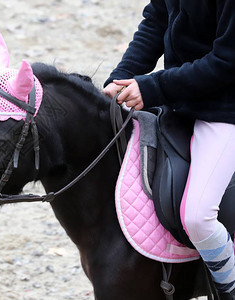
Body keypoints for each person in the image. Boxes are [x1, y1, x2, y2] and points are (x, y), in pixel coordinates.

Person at [102, 1, 235, 298]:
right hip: (180, 99)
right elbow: (155, 21)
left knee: (197, 217)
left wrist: (152, 87)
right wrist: (121, 76)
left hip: (225, 110)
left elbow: (226, 62)